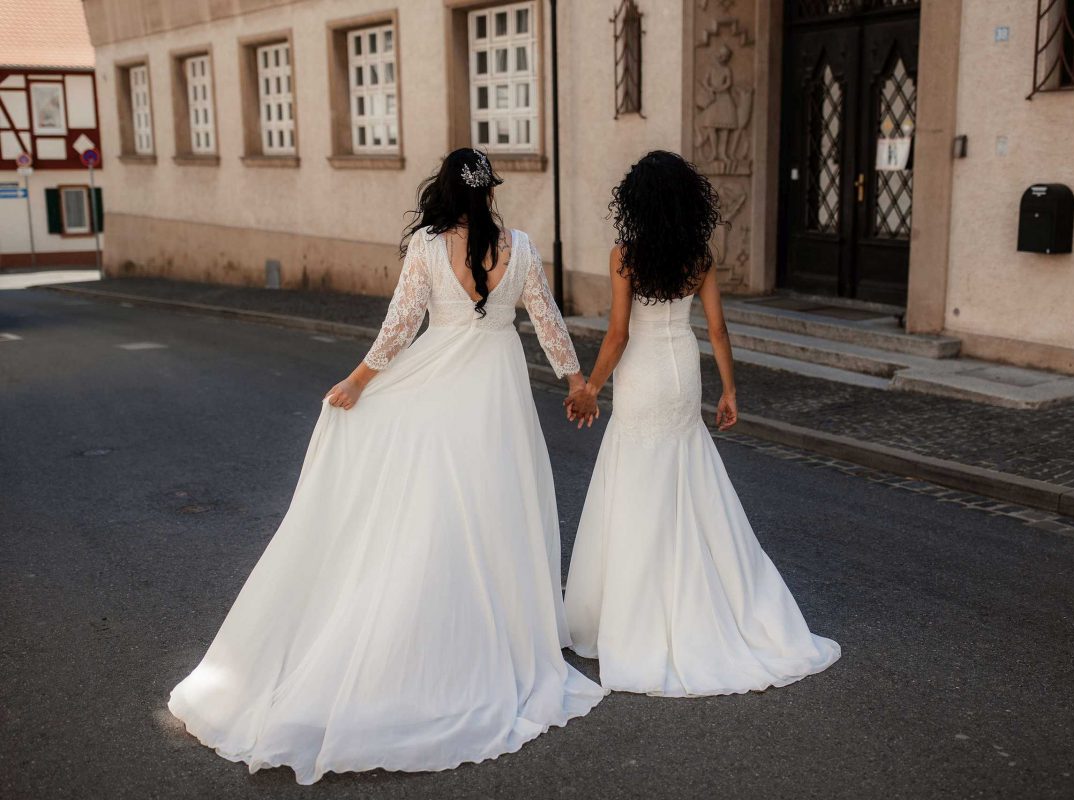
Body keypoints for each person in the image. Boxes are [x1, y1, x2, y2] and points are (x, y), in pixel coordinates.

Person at [168, 148, 605, 784]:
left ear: (447, 194)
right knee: (497, 504)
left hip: (444, 385)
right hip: (497, 390)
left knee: (440, 506)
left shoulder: (428, 247)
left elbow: (399, 329)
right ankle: (501, 632)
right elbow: (546, 322)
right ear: (489, 193)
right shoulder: (524, 247)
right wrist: (577, 383)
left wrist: (356, 383)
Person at [563, 150, 841, 697]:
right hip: (682, 372)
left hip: (643, 375)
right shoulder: (700, 257)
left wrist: (591, 387)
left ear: (635, 203)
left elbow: (617, 336)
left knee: (640, 486)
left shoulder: (626, 256)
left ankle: (631, 614)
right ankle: (717, 606)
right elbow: (717, 329)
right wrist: (730, 390)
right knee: (687, 477)